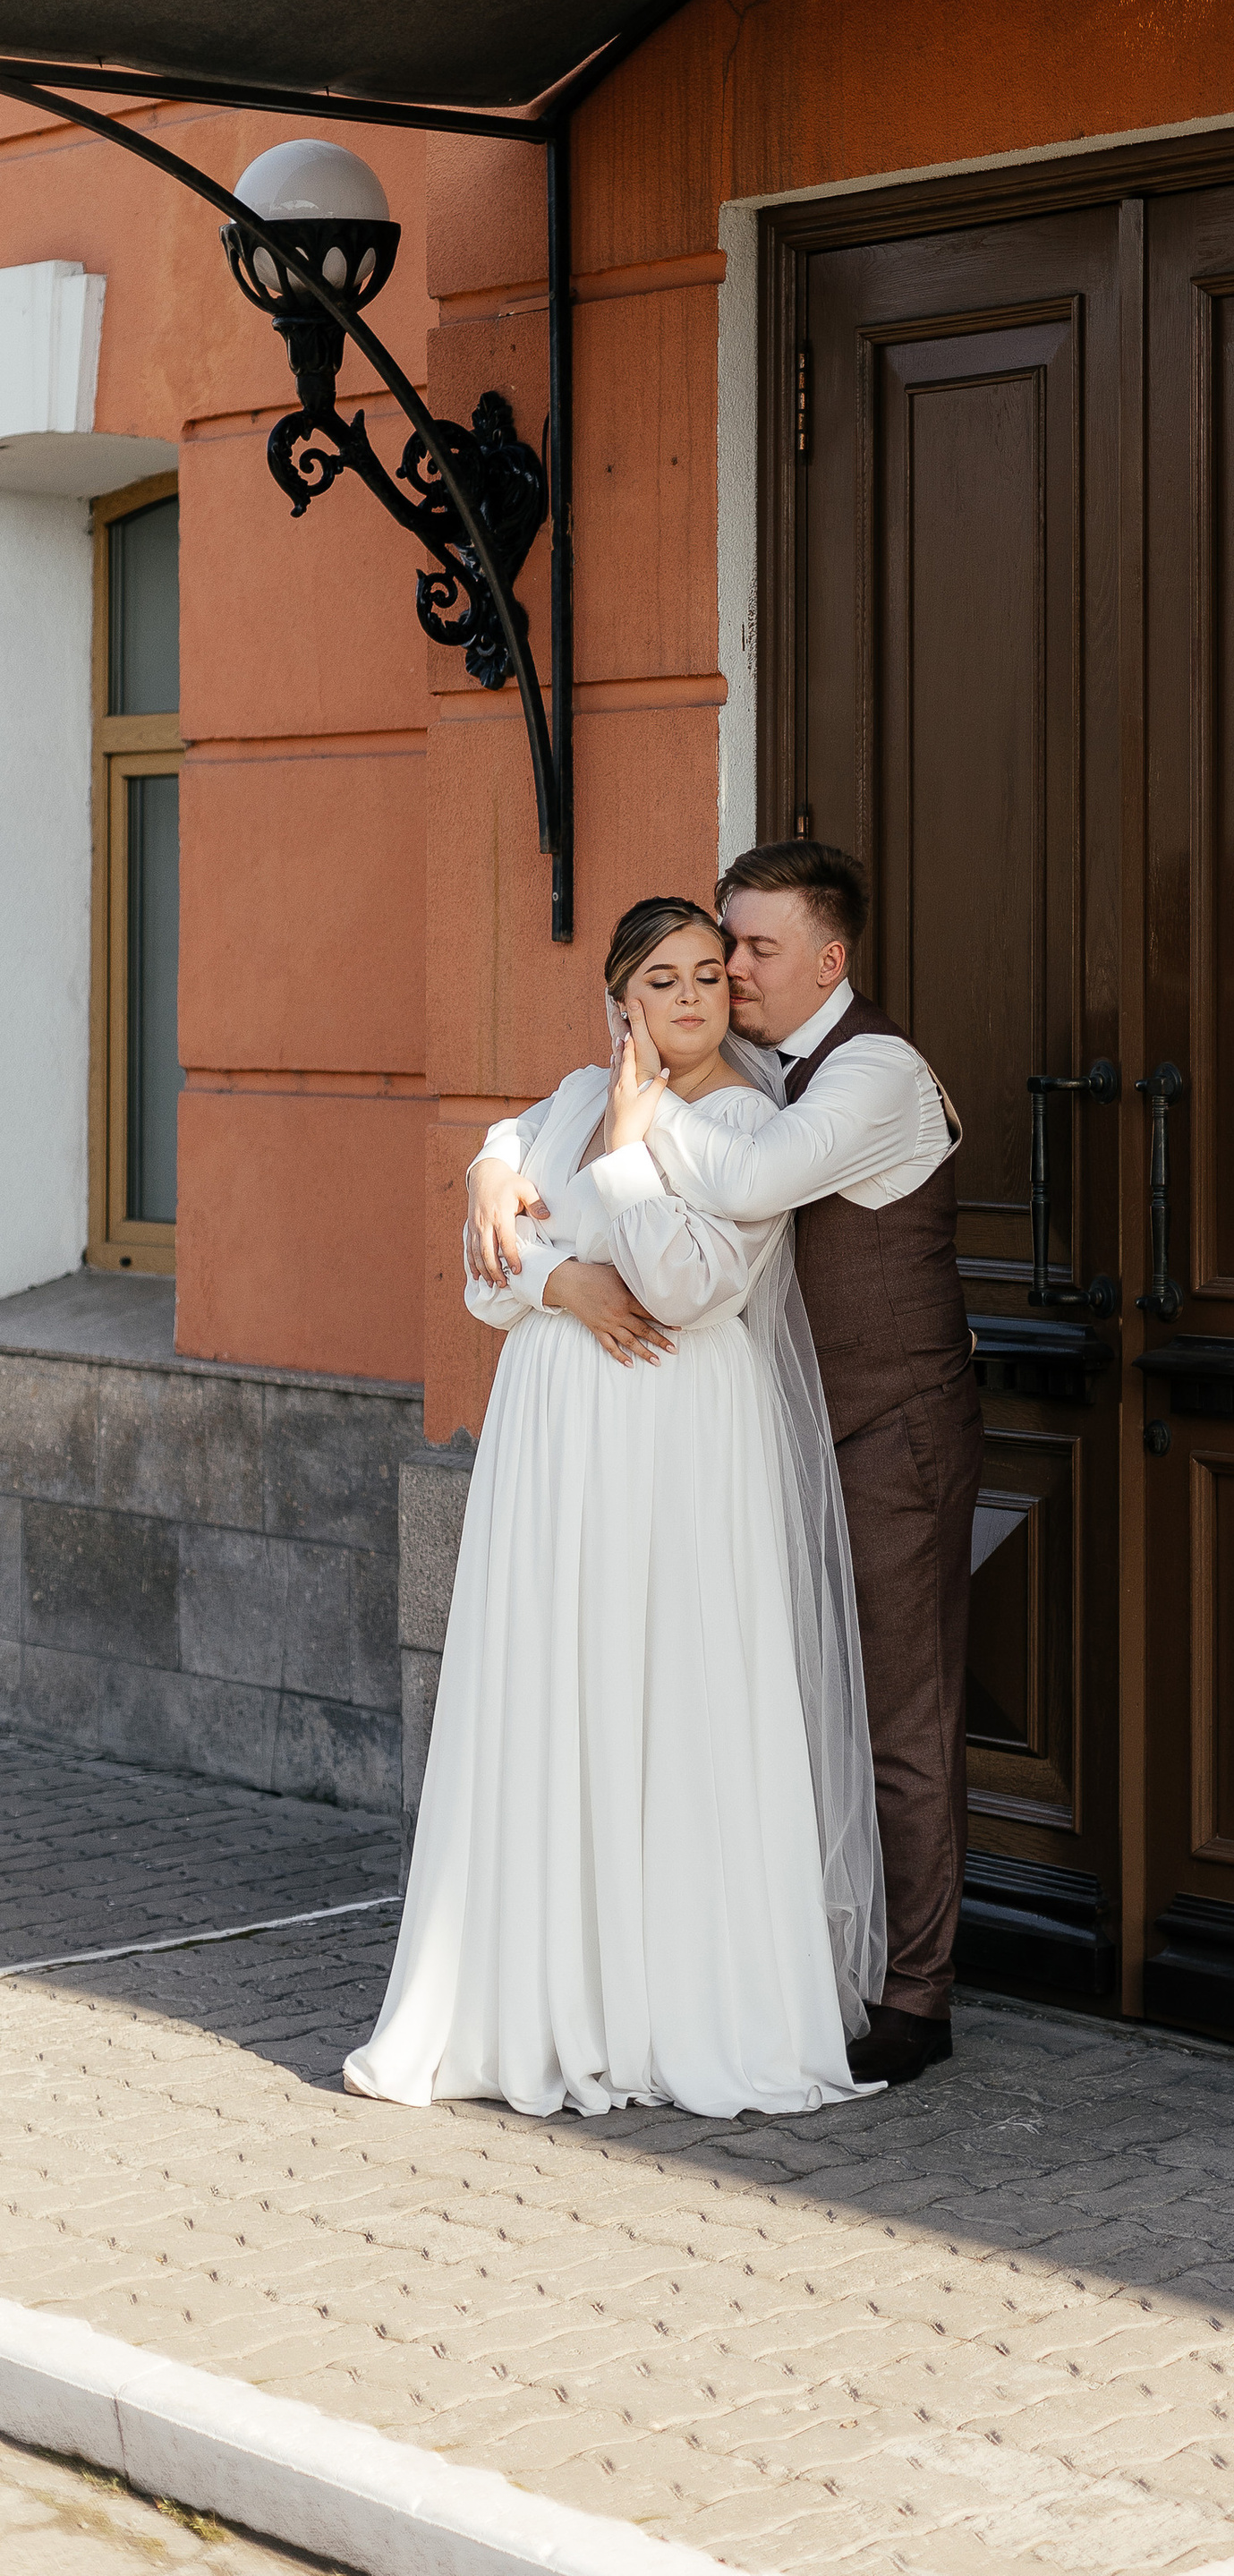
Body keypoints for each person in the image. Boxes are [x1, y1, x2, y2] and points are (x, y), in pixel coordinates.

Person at [351, 895, 883, 2121]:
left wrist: (636, 1161)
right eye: (662, 978)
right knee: (561, 1686)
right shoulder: (562, 1106)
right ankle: (543, 1992)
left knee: (679, 1693)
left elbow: (696, 1287)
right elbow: (490, 1290)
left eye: (710, 974)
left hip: (686, 1435)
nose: (693, 997)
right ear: (618, 1001)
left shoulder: (748, 1122)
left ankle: (679, 1999)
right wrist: (564, 1277)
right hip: (555, 1439)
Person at [468, 842, 981, 2087]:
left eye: (747, 950)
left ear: (828, 958)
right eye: (703, 958)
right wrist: (499, 1161)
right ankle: (772, 1960)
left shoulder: (875, 1073)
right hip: (750, 1444)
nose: (728, 976)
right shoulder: (736, 1068)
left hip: (889, 1424)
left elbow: (747, 1182)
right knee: (772, 1698)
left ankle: (914, 1991)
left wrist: (632, 1137)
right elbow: (541, 1129)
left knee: (899, 1717)